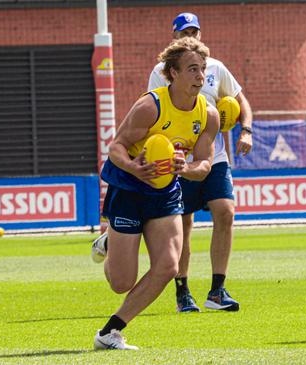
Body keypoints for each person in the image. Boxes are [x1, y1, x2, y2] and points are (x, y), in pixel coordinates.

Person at [91, 37, 219, 350]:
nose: (200, 76)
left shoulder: (208, 114)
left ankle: (110, 333)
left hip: (165, 193)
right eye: (192, 69)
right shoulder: (150, 106)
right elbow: (116, 147)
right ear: (172, 73)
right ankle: (108, 241)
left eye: (202, 69)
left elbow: (204, 164)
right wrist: (135, 167)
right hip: (130, 187)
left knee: (168, 266)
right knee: (121, 282)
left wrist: (184, 169)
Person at [146, 12, 254, 313]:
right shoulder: (161, 71)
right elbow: (153, 109)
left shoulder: (215, 68)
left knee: (226, 211)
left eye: (194, 31)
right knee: (184, 223)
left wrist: (245, 130)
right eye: (184, 32)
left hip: (214, 155)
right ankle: (183, 291)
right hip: (178, 156)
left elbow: (239, 101)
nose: (190, 36)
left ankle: (217, 290)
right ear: (174, 36)